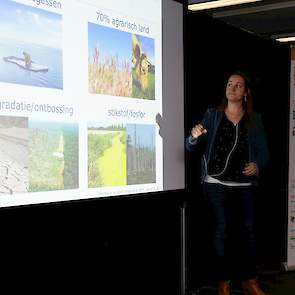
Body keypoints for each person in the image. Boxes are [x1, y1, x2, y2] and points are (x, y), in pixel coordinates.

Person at [186, 71, 269, 295]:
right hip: (215, 185)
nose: (232, 88)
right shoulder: (212, 116)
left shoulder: (255, 119)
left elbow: (264, 152)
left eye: (238, 85)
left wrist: (257, 165)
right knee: (221, 232)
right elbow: (191, 146)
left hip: (245, 187)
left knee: (249, 233)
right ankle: (223, 282)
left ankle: (249, 280)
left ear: (245, 93)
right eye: (229, 84)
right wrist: (193, 137)